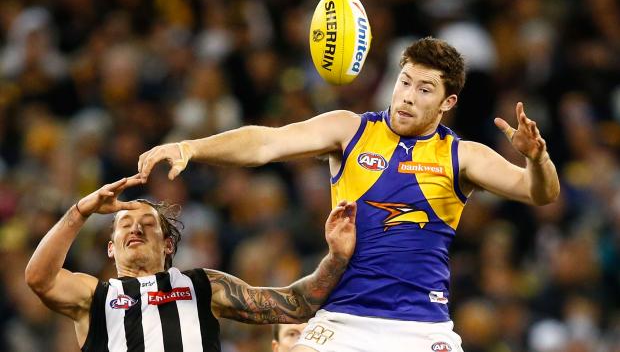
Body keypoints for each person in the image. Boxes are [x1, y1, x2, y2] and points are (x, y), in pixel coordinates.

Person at [137, 37, 560, 351]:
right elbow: (266, 142)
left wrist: (537, 159)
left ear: (447, 101)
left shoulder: (461, 155)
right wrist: (189, 147)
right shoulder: (350, 130)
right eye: (405, 81)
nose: (408, 97)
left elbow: (538, 193)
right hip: (344, 320)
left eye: (424, 89)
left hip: (421, 328)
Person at [25, 174, 357, 352]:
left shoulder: (202, 286)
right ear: (111, 249)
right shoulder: (94, 296)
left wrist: (337, 258)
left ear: (168, 244)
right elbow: (40, 278)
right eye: (124, 224)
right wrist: (80, 211)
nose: (136, 227)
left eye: (148, 223)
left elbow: (295, 305)